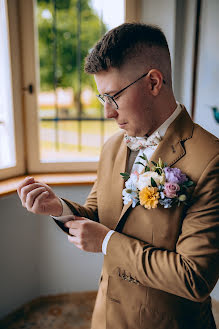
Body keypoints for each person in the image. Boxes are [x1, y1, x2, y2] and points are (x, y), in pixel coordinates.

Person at [17, 23, 219, 329]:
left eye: (114, 97)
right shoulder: (113, 146)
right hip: (105, 318)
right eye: (103, 99)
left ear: (153, 82)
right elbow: (99, 217)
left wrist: (109, 242)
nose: (108, 113)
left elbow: (194, 277)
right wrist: (58, 208)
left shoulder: (211, 159)